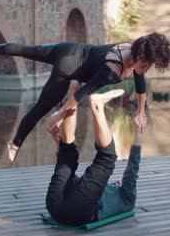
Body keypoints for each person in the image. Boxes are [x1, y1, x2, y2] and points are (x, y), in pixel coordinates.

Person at [0, 32, 170, 163]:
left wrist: (140, 112)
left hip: (69, 48)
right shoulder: (113, 69)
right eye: (145, 65)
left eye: (149, 66)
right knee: (42, 108)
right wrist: (59, 115)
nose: (146, 69)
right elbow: (82, 94)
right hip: (67, 68)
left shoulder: (135, 49)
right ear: (138, 56)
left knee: (29, 50)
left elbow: (140, 84)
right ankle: (15, 143)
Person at [45, 88, 143, 226]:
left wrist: (139, 131)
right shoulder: (117, 197)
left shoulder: (128, 199)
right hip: (54, 207)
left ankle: (94, 105)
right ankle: (73, 98)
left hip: (76, 209)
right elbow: (70, 180)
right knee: (68, 157)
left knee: (107, 158)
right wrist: (57, 140)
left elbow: (132, 169)